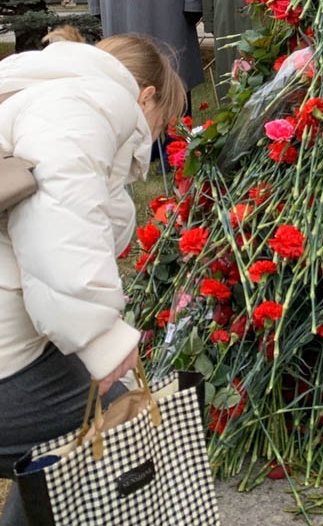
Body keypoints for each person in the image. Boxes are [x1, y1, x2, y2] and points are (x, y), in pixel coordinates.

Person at [0, 27, 186, 526]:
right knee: (116, 422)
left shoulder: (43, 91)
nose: (157, 138)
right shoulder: (87, 104)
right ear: (144, 97)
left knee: (67, 450)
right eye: (161, 123)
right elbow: (57, 222)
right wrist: (102, 340)